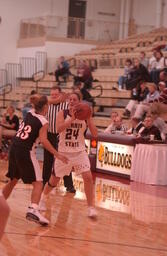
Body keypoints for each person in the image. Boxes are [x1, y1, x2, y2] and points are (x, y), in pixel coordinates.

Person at [2, 94, 68, 226]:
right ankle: (33, 209)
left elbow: (38, 99)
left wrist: (54, 100)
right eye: (48, 106)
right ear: (45, 107)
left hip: (14, 147)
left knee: (13, 179)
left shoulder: (30, 113)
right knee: (38, 182)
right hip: (25, 150)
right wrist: (57, 154)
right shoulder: (43, 121)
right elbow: (44, 141)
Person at [40, 92, 98, 218]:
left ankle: (91, 207)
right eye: (70, 99)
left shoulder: (85, 114)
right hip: (64, 153)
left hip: (79, 152)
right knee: (54, 180)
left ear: (79, 101)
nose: (71, 101)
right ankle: (43, 198)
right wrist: (71, 118)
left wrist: (89, 118)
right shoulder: (63, 113)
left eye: (74, 99)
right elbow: (59, 128)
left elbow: (95, 134)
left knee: (88, 177)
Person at [43, 86, 76, 193]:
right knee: (47, 161)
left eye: (56, 95)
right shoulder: (46, 104)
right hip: (49, 134)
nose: (53, 96)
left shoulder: (66, 105)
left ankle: (69, 185)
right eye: (52, 95)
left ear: (60, 94)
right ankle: (45, 182)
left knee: (64, 160)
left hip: (61, 136)